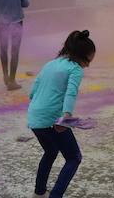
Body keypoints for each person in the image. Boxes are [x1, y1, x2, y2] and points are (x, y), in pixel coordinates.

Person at [27, 30, 95, 198]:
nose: (88, 64)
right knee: (74, 157)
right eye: (89, 59)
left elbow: (33, 90)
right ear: (81, 56)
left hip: (34, 117)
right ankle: (55, 195)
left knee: (50, 151)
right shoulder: (75, 69)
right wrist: (66, 117)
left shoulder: (51, 63)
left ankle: (39, 192)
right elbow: (71, 93)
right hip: (53, 119)